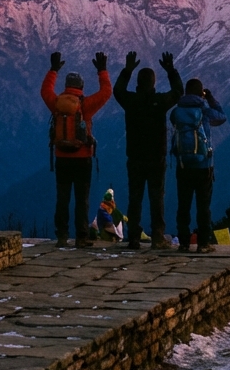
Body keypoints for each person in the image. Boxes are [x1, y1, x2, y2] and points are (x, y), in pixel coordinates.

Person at [114, 50, 183, 250]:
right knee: (156, 198)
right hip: (156, 159)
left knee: (134, 199)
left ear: (138, 83)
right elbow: (179, 92)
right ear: (153, 83)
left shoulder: (131, 102)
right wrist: (171, 71)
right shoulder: (160, 102)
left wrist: (126, 70)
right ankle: (157, 236)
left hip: (135, 158)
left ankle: (134, 237)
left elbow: (117, 91)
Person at [41, 51, 111, 247]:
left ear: (66, 87)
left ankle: (62, 237)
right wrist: (102, 71)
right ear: (81, 87)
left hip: (61, 158)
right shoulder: (86, 105)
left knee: (62, 199)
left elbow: (44, 90)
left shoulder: (56, 104)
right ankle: (81, 237)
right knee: (82, 199)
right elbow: (106, 93)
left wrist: (53, 70)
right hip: (82, 158)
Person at [170, 78, 226, 253]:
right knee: (203, 207)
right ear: (201, 92)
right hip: (204, 165)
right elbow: (222, 117)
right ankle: (203, 243)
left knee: (183, 205)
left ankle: (184, 242)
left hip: (183, 165)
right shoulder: (205, 111)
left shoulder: (176, 112)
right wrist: (210, 98)